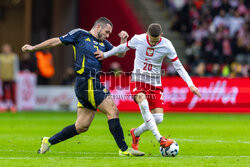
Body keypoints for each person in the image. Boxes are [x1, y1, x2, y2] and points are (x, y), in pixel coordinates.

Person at [21, 17, 144, 156]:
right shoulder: (80, 34)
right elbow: (56, 41)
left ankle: (48, 141)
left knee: (81, 126)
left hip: (88, 84)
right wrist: (34, 48)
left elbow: (120, 54)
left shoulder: (104, 43)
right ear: (98, 27)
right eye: (107, 32)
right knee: (113, 111)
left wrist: (123, 41)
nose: (108, 35)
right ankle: (124, 149)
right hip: (87, 81)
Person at [95, 23, 201, 150]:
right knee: (144, 104)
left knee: (158, 118)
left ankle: (136, 133)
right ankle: (160, 139)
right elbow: (122, 48)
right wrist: (105, 54)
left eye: (156, 41)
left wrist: (191, 85)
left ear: (161, 35)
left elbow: (179, 66)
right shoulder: (138, 39)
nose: (153, 43)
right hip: (138, 80)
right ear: (147, 34)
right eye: (151, 40)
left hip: (155, 83)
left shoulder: (167, 45)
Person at [0, 43, 19, 112]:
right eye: (5, 48)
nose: (6, 50)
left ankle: (13, 105)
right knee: (3, 92)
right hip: (3, 78)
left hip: (11, 77)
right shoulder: (1, 56)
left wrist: (15, 77)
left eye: (7, 48)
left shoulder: (14, 56)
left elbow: (16, 67)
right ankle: (4, 105)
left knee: (12, 92)